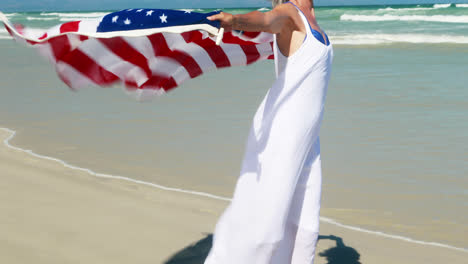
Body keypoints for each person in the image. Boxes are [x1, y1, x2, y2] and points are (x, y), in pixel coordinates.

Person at [205, 0, 333, 263]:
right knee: (265, 222)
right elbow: (267, 21)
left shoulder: (312, 17)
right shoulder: (290, 13)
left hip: (308, 140)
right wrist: (234, 21)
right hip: (282, 132)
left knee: (304, 224)